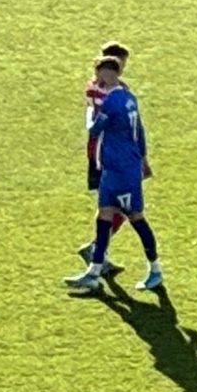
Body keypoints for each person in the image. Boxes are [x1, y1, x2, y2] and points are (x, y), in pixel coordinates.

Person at [66, 55, 160, 293]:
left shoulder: (113, 101)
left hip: (122, 170)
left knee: (136, 218)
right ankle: (94, 272)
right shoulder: (129, 98)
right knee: (104, 216)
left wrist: (90, 111)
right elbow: (140, 131)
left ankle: (155, 270)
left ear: (108, 73)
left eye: (99, 74)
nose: (97, 79)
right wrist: (144, 159)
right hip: (114, 167)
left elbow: (94, 128)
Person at [75, 41, 132, 269]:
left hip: (96, 153)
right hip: (112, 155)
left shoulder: (92, 87)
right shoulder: (118, 92)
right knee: (123, 206)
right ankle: (96, 248)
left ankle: (99, 250)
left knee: (111, 205)